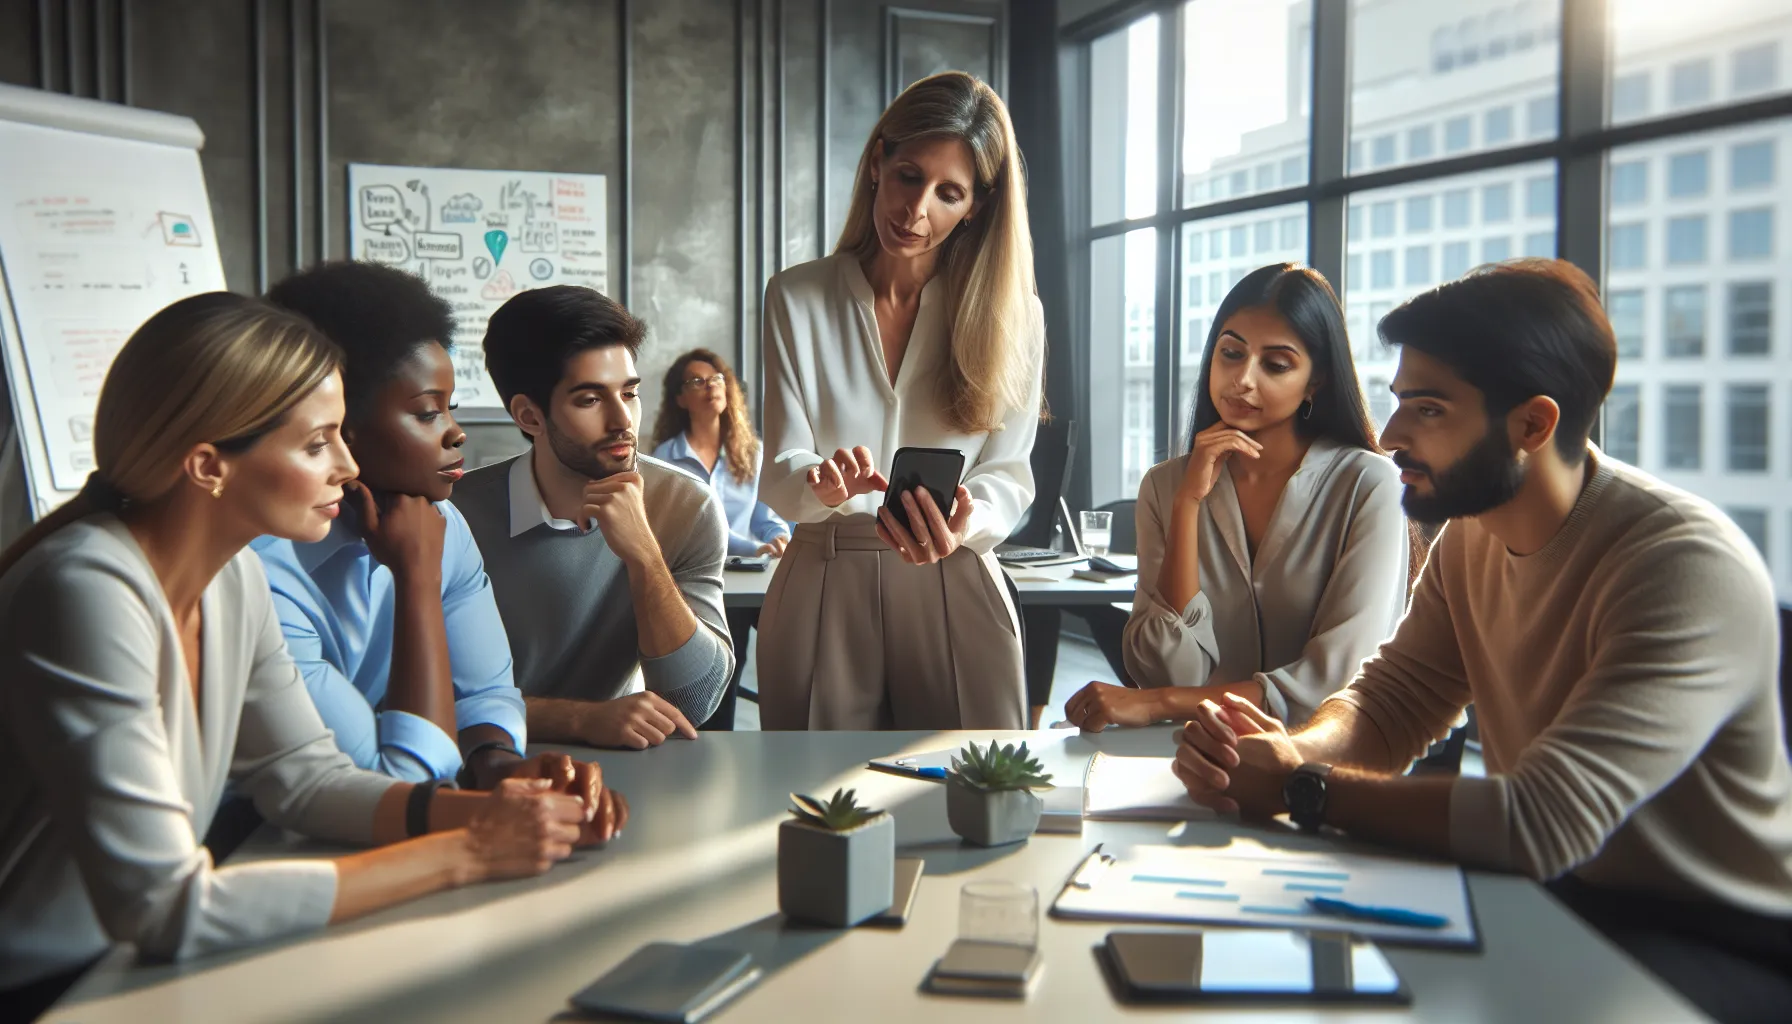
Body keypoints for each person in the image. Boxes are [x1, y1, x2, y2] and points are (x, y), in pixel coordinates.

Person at [1172, 260, 1792, 1024]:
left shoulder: (1684, 563)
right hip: (1551, 889)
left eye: (1428, 410)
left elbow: (1538, 821)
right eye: (1400, 403)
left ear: (1532, 424)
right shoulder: (1470, 534)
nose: (1391, 434)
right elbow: (1392, 703)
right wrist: (1297, 753)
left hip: (1716, 934)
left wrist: (1307, 788)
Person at [0, 294, 625, 1019]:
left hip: (123, 977)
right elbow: (165, 907)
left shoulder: (228, 577)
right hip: (41, 990)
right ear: (208, 466)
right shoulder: (87, 589)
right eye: (316, 443)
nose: (347, 466)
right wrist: (471, 849)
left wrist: (495, 803)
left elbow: (305, 778)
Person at [756, 70, 1044, 730]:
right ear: (878, 158)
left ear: (975, 206)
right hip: (824, 573)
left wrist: (964, 520)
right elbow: (780, 467)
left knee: (967, 798)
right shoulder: (795, 297)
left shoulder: (1014, 316)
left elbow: (1009, 474)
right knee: (821, 803)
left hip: (956, 574)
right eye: (910, 174)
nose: (916, 210)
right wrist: (821, 485)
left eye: (949, 193)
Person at [252, 261, 600, 792]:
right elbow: (402, 780)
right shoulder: (265, 570)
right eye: (426, 412)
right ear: (339, 424)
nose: (456, 433)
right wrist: (417, 581)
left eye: (450, 408)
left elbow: (484, 693)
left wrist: (496, 760)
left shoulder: (443, 524)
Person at [1063, 264, 1414, 732]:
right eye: (1231, 353)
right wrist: (1187, 505)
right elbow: (1166, 669)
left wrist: (1160, 703)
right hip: (1186, 754)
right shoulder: (1165, 486)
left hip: (1316, 765)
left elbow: (1335, 682)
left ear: (1316, 381)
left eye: (1276, 364)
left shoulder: (1368, 485)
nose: (1243, 379)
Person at [454, 286, 733, 750]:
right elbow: (424, 700)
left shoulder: (686, 505)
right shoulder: (457, 515)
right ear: (530, 416)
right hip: (483, 764)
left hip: (627, 768)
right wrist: (579, 720)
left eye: (630, 392)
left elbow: (694, 700)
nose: (622, 419)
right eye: (589, 399)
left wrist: (644, 553)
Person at [651, 348, 788, 730]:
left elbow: (768, 518)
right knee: (724, 658)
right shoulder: (666, 458)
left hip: (751, 577)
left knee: (790, 642)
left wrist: (776, 537)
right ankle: (714, 734)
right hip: (697, 580)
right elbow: (689, 529)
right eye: (696, 381)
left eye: (716, 379)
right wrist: (752, 546)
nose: (709, 386)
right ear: (680, 398)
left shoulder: (752, 453)